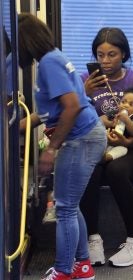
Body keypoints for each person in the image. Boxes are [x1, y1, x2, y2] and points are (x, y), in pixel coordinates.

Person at [18, 13, 107, 280]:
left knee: (65, 207)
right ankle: (81, 265)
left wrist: (51, 148)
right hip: (85, 134)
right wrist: (17, 125)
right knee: (70, 204)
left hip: (80, 137)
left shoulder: (48, 63)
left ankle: (64, 271)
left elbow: (72, 106)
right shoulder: (54, 56)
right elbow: (56, 108)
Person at [79, 27, 133, 267]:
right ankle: (93, 239)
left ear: (123, 54)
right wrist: (85, 93)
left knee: (116, 170)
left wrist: (127, 140)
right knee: (89, 170)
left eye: (111, 54)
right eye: (100, 55)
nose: (105, 61)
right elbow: (74, 116)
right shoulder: (85, 80)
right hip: (99, 144)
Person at [104, 87, 133, 162]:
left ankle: (107, 157)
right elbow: (101, 119)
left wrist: (126, 120)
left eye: (131, 104)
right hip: (107, 141)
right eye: (123, 102)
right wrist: (110, 123)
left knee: (123, 150)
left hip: (121, 145)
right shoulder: (115, 113)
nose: (126, 105)